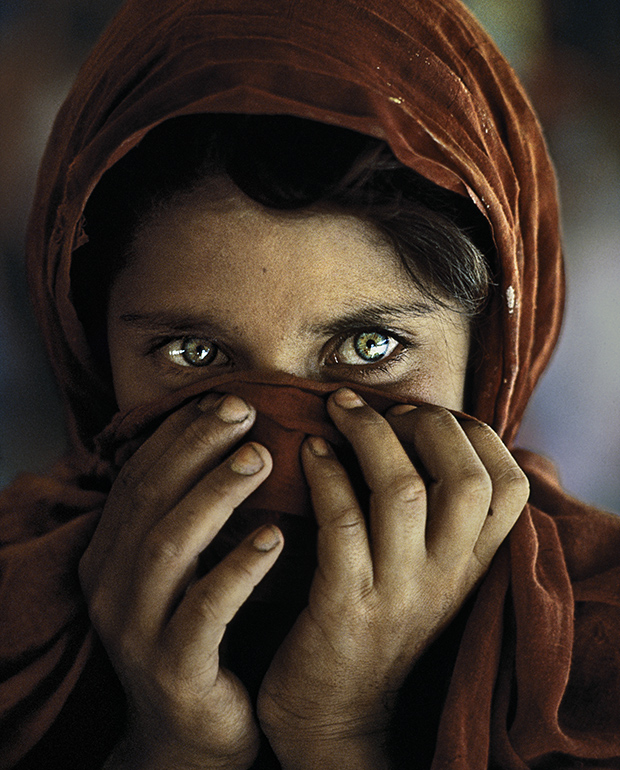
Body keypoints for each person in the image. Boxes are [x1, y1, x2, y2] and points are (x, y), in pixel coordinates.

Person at [1, 0, 619, 768]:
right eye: (193, 353)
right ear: (89, 347)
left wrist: (339, 736)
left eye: (371, 346)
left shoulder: (592, 675)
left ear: (492, 350)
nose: (278, 444)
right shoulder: (17, 645)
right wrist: (170, 746)